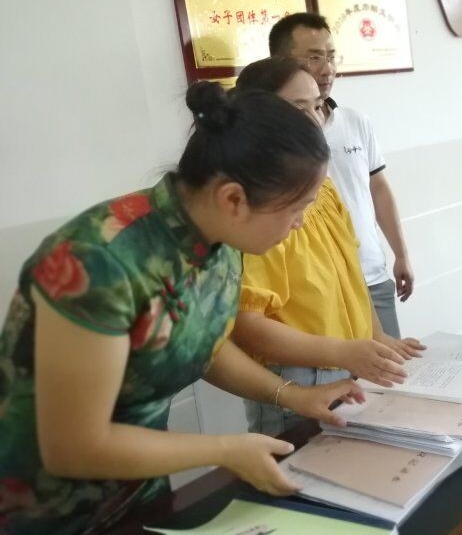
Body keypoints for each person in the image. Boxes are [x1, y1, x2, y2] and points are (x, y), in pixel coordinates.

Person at [0, 82, 365, 534]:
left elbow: (200, 341)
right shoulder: (97, 263)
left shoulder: (218, 239)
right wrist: (224, 450)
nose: (300, 223)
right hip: (42, 510)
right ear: (233, 199)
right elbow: (73, 446)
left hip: (138, 491)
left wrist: (294, 396)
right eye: (297, 207)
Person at [232, 57, 424, 437]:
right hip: (299, 379)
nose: (314, 120)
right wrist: (342, 352)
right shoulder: (258, 208)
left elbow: (350, 273)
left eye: (317, 106)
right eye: (298, 108)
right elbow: (248, 325)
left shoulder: (324, 187)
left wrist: (378, 337)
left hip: (348, 362)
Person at [268, 13, 411, 338]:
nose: (327, 68)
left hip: (371, 276)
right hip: (316, 291)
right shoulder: (271, 141)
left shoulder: (355, 121)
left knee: (391, 362)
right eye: (313, 58)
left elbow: (378, 189)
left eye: (331, 56)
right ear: (281, 63)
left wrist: (401, 254)